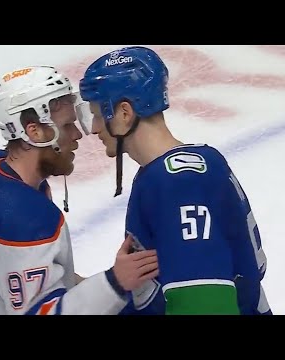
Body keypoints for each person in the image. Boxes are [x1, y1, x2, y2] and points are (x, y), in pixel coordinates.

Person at [0, 65, 159, 315]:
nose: (77, 134)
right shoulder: (20, 215)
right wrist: (115, 283)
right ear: (35, 132)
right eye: (66, 126)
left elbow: (23, 273)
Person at [77, 46, 272, 315]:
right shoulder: (189, 165)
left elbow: (206, 306)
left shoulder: (176, 184)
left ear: (124, 113)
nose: (95, 128)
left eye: (98, 114)